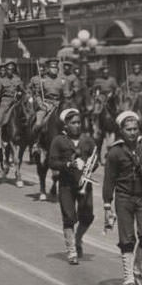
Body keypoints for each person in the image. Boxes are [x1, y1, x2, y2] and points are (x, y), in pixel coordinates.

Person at [103, 111, 142, 285]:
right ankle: (128, 276)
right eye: (128, 129)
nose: (132, 132)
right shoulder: (114, 152)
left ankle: (137, 264)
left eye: (135, 129)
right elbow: (109, 180)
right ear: (121, 131)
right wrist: (107, 205)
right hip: (124, 198)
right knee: (127, 238)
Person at [48, 108, 96, 265]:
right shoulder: (58, 140)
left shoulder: (88, 140)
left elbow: (96, 160)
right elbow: (52, 162)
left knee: (87, 216)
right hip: (66, 185)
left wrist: (89, 166)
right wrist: (68, 164)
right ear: (66, 125)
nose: (77, 125)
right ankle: (71, 251)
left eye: (78, 122)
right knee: (69, 217)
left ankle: (78, 238)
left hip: (84, 184)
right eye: (73, 123)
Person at [33, 58, 65, 135]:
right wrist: (42, 105)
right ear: (48, 68)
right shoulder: (42, 80)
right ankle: (36, 142)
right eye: (52, 67)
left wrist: (62, 104)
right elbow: (37, 95)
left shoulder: (62, 80)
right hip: (46, 105)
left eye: (56, 67)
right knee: (38, 124)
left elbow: (65, 95)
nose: (55, 69)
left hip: (59, 105)